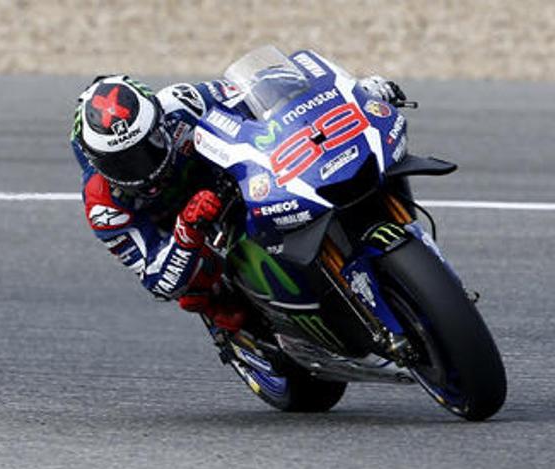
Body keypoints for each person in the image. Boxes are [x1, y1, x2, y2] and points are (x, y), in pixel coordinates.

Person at [70, 72, 404, 335]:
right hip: (182, 229)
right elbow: (159, 281)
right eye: (122, 163)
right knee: (205, 296)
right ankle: (242, 335)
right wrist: (187, 229)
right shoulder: (103, 205)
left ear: (158, 121)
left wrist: (356, 93)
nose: (139, 167)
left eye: (148, 147)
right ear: (96, 160)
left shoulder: (182, 103)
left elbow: (266, 95)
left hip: (239, 180)